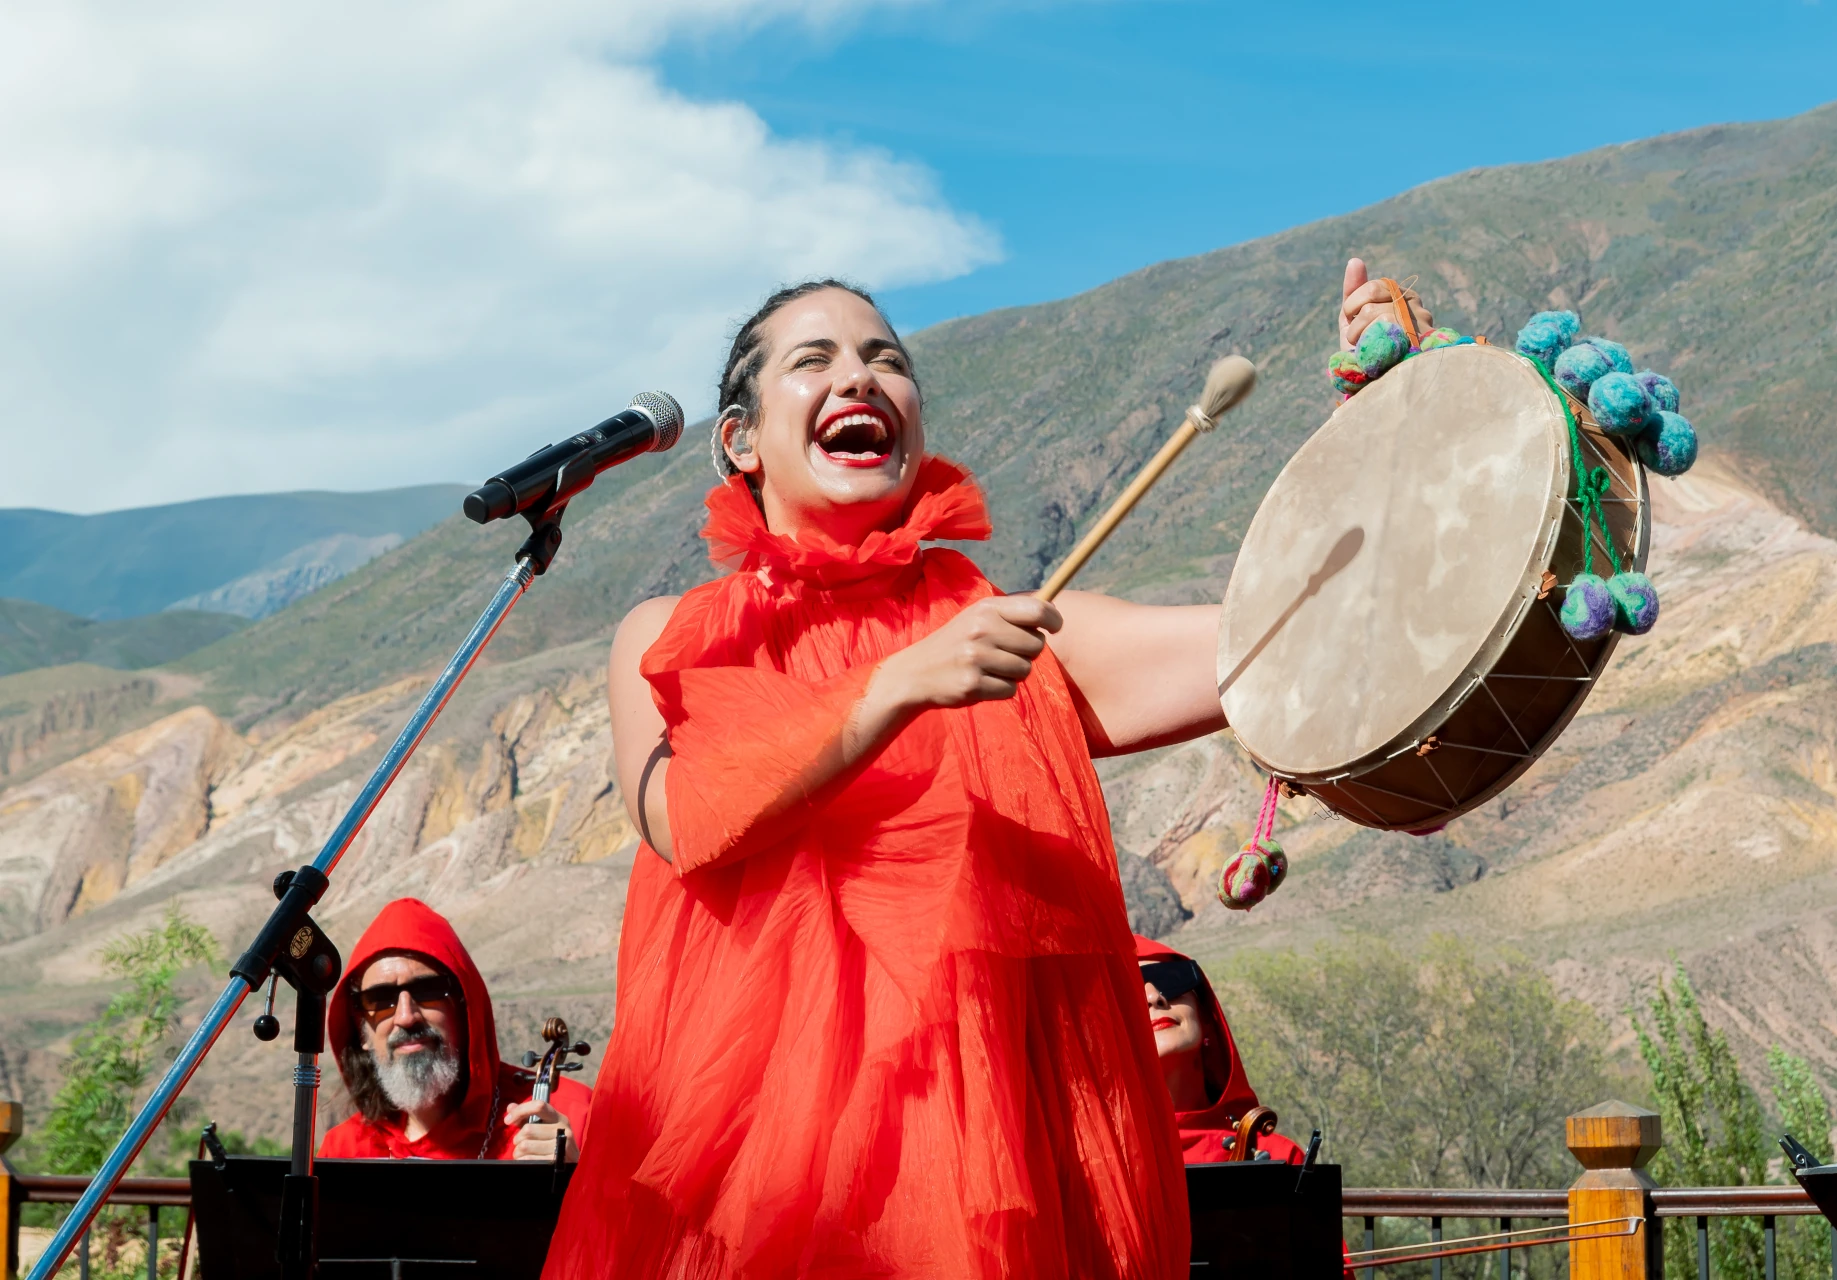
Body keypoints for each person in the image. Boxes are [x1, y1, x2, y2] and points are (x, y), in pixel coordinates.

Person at [545, 261, 1429, 1280]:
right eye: (815, 360)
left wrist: (1400, 421)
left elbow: (1296, 634)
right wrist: (893, 686)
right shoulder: (670, 638)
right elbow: (681, 814)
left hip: (983, 1192)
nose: (863, 378)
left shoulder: (1013, 635)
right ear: (741, 440)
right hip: (739, 1199)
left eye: (888, 360)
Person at [318, 897, 590, 1161]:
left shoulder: (567, 1115)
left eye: (428, 991)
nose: (406, 1017)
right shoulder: (345, 1149)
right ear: (361, 1027)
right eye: (380, 998)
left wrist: (577, 1179)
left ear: (465, 1007)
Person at [1134, 935, 1304, 1164]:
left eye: (1171, 981)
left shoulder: (1277, 1159)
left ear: (1206, 1017)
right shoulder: (1083, 1168)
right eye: (1129, 991)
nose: (1155, 998)